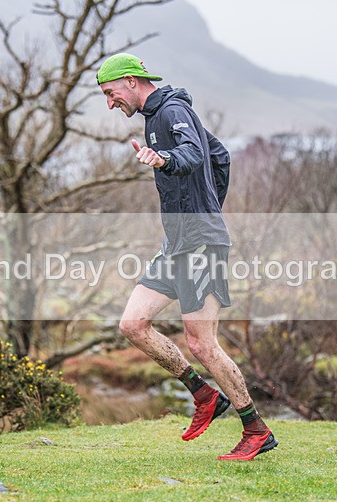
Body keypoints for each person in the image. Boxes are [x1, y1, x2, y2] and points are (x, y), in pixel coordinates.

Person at [96, 53, 277, 460]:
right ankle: (203, 395)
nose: (110, 103)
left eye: (110, 94)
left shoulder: (172, 109)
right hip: (177, 243)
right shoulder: (155, 115)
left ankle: (256, 429)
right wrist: (208, 202)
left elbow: (194, 154)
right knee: (133, 324)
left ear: (130, 81)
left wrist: (166, 162)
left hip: (201, 244)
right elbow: (221, 156)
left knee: (202, 343)